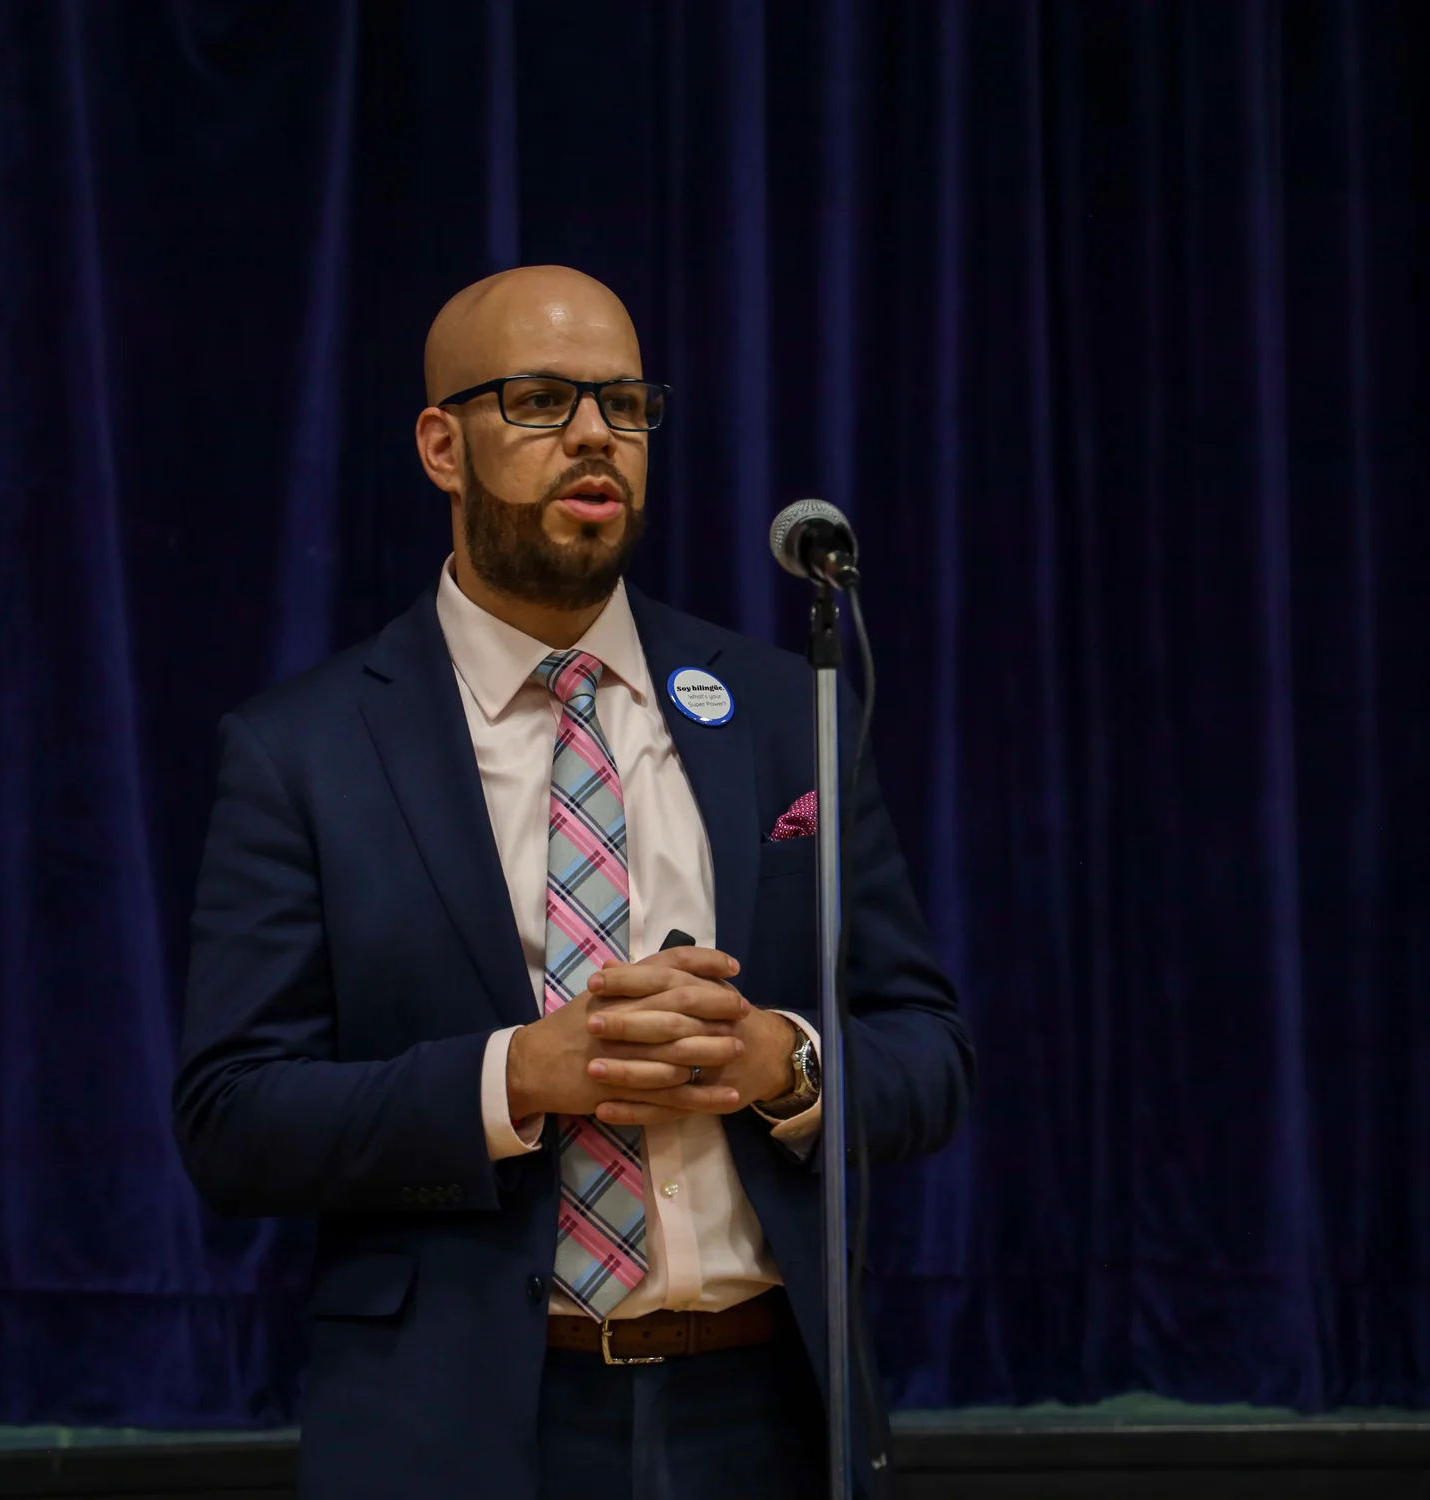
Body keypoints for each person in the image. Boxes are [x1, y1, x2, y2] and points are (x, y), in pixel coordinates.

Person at [174, 265, 973, 1499]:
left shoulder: (776, 708)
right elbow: (233, 1121)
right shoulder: (305, 751)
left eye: (626, 404)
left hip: (762, 1412)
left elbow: (930, 1048)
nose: (598, 435)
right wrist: (514, 1079)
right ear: (443, 444)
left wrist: (784, 1065)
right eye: (542, 400)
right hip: (469, 1426)